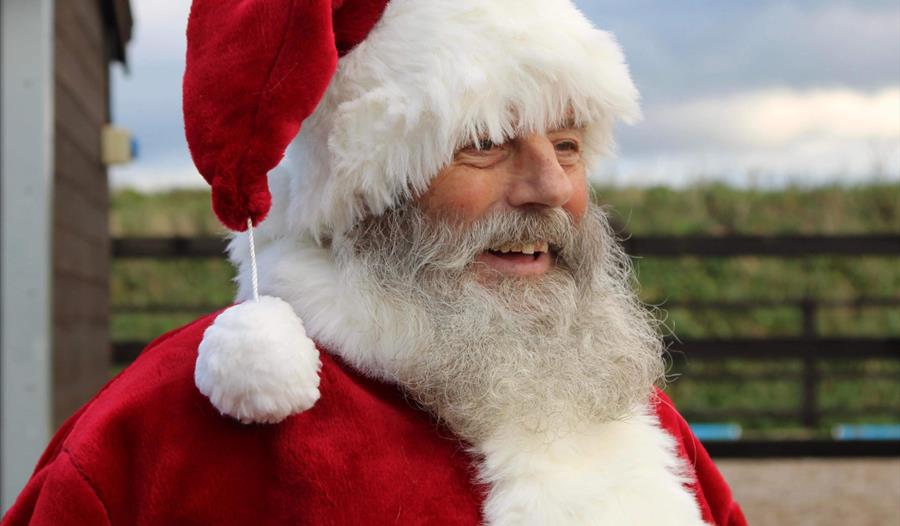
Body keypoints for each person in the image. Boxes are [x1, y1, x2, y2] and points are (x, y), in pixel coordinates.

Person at [3, 0, 747, 524]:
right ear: (362, 188)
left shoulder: (630, 419)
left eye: (569, 144)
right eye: (484, 142)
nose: (551, 187)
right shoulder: (163, 433)